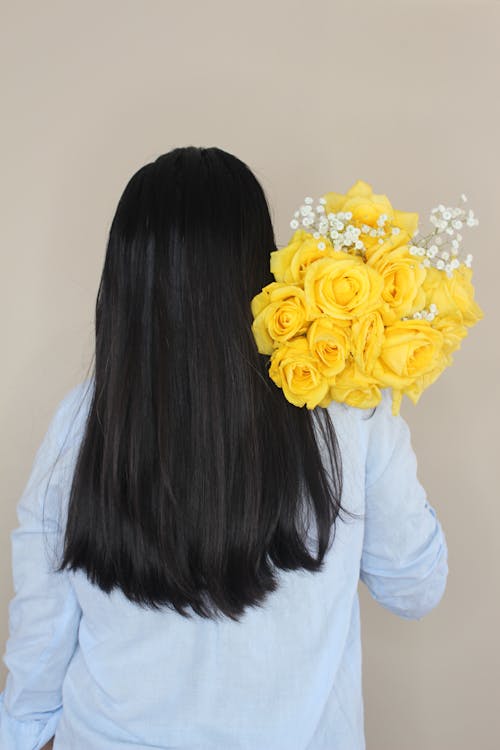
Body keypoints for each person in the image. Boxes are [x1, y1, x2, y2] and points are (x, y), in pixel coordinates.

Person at [0, 146, 448, 750]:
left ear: (126, 282)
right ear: (263, 264)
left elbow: (41, 635)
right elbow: (414, 588)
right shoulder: (347, 409)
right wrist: (375, 395)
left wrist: (23, 733)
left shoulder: (82, 419)